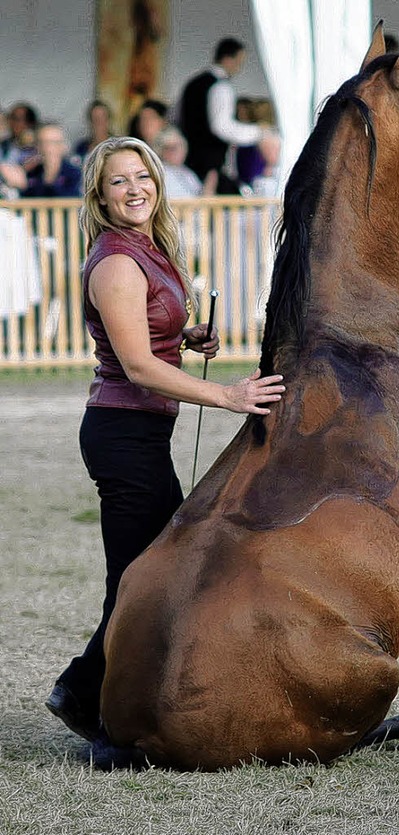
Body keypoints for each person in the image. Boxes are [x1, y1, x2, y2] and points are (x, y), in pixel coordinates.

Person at [44, 135, 285, 741]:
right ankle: (86, 695)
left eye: (142, 176)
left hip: (142, 432)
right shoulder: (118, 261)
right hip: (121, 433)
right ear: (100, 195)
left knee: (145, 571)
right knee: (139, 576)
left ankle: (85, 691)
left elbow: (151, 342)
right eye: (119, 180)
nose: (135, 189)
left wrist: (186, 338)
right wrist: (229, 395)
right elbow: (137, 367)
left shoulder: (147, 250)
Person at [177, 37, 274, 194]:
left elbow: (178, 118)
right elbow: (222, 127)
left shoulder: (192, 84)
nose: (239, 68)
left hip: (188, 162)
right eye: (239, 62)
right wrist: (259, 132)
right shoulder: (221, 87)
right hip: (211, 167)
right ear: (229, 59)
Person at [19, 122, 83, 198]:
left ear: (63, 146)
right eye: (42, 143)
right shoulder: (32, 173)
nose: (47, 148)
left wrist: (51, 176)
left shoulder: (75, 173)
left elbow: (71, 201)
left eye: (53, 143)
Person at [152, 125, 217, 197]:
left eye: (178, 146)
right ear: (160, 151)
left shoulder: (187, 173)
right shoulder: (163, 173)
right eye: (168, 148)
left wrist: (209, 186)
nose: (174, 152)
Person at [0, 102, 39, 166]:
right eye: (9, 118)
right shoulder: (6, 144)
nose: (10, 122)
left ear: (29, 124)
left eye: (15, 119)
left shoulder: (37, 149)